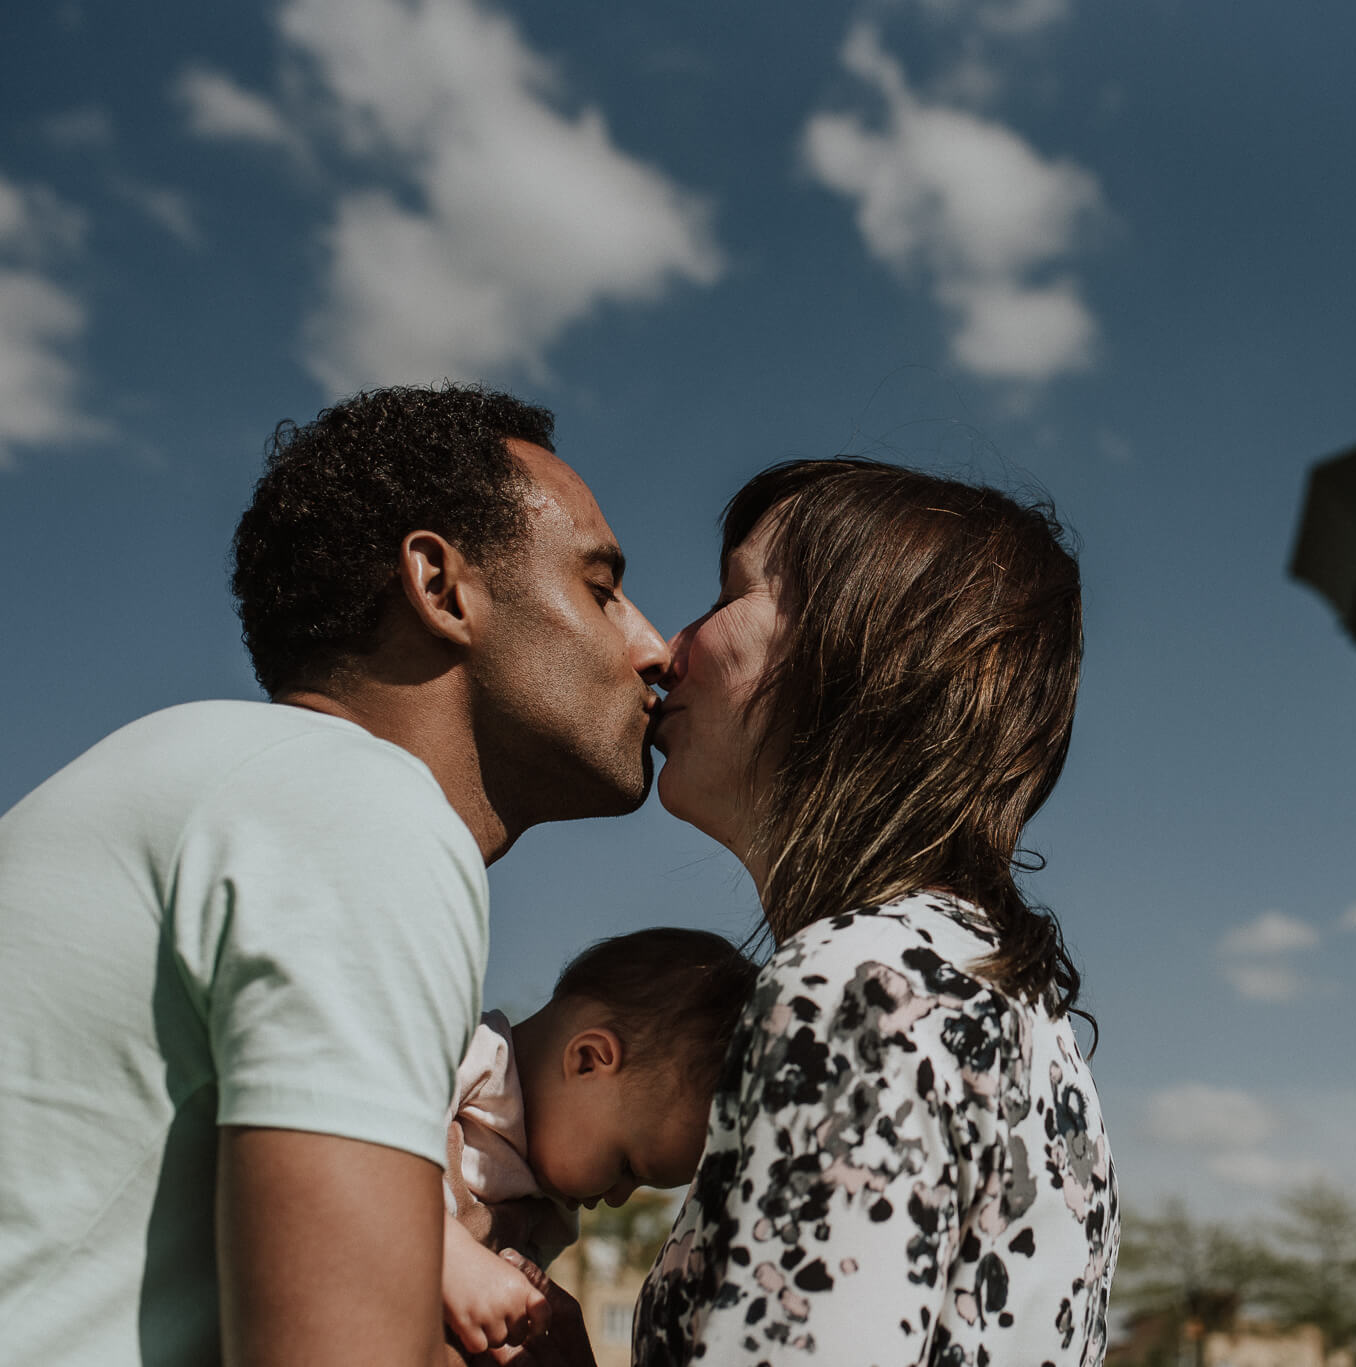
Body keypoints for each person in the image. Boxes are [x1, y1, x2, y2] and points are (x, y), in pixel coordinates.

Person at [0, 385, 666, 1367]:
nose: (654, 648)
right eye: (601, 588)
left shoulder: (230, 777)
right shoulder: (358, 813)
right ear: (441, 586)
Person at [632, 458, 1120, 1367]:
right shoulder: (1021, 1014)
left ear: (863, 650)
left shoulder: (857, 985)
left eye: (731, 595)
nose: (668, 646)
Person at [442, 928, 756, 1357]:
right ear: (588, 1059)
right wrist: (448, 1253)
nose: (619, 1197)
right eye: (626, 1166)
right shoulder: (465, 1055)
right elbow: (368, 1154)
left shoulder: (548, 1215)